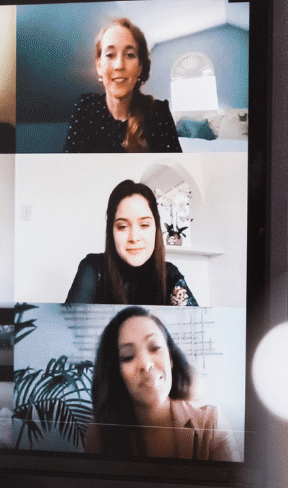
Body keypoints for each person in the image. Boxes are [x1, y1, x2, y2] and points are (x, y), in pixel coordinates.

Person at [84, 307, 236, 460]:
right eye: (127, 356)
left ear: (170, 357)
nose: (145, 363)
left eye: (155, 347)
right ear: (116, 372)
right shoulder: (99, 432)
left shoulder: (211, 424)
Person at [65, 179, 198, 306]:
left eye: (144, 225)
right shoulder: (93, 269)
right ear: (111, 231)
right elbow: (69, 324)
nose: (134, 238)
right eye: (122, 226)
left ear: (156, 228)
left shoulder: (170, 275)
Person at [61, 18, 183, 153]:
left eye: (130, 55)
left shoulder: (158, 113)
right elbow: (71, 168)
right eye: (110, 55)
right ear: (98, 66)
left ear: (140, 68)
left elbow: (171, 171)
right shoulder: (86, 107)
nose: (119, 65)